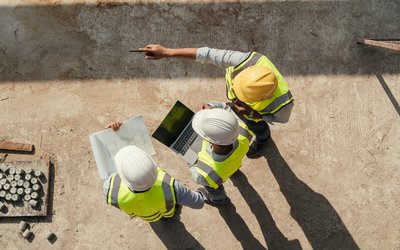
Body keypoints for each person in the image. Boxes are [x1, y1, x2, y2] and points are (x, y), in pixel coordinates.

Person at [138, 44, 294, 158]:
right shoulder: (246, 60)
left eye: (241, 96)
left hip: (254, 115)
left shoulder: (283, 105)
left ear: (260, 98)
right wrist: (167, 52)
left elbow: (281, 120)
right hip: (248, 109)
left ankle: (263, 139)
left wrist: (254, 114)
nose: (235, 97)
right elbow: (207, 54)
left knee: (258, 127)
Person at [103, 122, 207, 223]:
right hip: (166, 211)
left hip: (146, 216)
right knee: (167, 213)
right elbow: (198, 203)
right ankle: (166, 218)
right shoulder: (173, 187)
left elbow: (108, 170)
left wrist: (111, 135)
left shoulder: (110, 190)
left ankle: (162, 219)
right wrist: (192, 192)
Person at [189, 104, 254, 205]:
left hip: (217, 175)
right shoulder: (244, 131)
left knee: (213, 188)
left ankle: (219, 200)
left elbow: (197, 177)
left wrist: (191, 161)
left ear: (206, 139)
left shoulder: (205, 174)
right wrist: (213, 113)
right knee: (230, 167)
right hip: (233, 164)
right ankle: (234, 172)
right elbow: (226, 110)